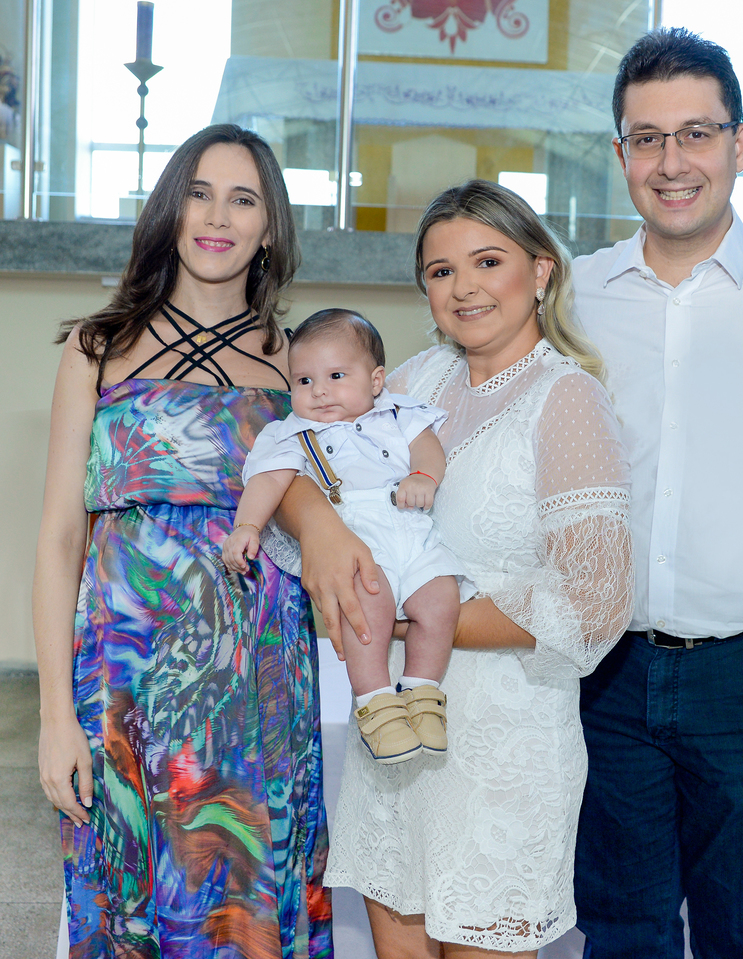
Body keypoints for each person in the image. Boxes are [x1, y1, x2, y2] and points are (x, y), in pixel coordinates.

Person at [274, 179, 634, 958]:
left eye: (487, 261)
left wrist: (415, 620)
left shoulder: (567, 399)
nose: (464, 286)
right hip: (395, 744)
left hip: (503, 746)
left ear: (540, 271)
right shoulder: (412, 384)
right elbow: (295, 458)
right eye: (441, 271)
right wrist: (321, 526)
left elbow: (595, 598)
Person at [32, 124, 332, 957]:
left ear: (270, 227)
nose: (218, 217)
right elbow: (59, 537)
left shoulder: (296, 364)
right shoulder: (98, 349)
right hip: (120, 690)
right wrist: (55, 715)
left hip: (257, 693)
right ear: (170, 209)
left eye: (243, 200)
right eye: (199, 194)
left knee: (245, 913)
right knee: (127, 905)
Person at [571, 28, 743, 959]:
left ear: (740, 143)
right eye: (648, 138)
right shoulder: (576, 296)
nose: (672, 162)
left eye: (696, 133)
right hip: (604, 670)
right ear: (621, 155)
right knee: (621, 931)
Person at [224, 308, 472, 764]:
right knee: (367, 604)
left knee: (441, 599)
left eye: (336, 376)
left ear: (375, 380)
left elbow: (427, 448)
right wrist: (247, 525)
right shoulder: (290, 434)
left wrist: (423, 475)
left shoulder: (398, 413)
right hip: (353, 534)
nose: (319, 391)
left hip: (410, 526)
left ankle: (422, 693)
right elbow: (268, 481)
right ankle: (375, 702)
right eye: (304, 381)